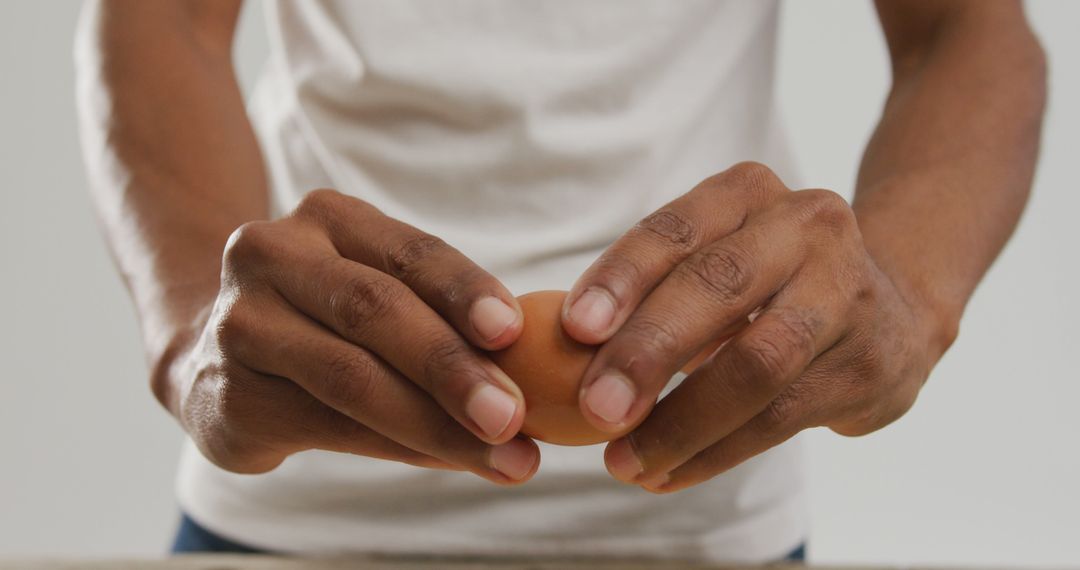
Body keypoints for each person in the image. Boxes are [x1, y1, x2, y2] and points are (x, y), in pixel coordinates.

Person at [74, 0, 1046, 564]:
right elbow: (163, 18)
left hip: (700, 525)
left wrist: (910, 291)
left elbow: (962, 27)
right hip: (295, 500)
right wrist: (189, 328)